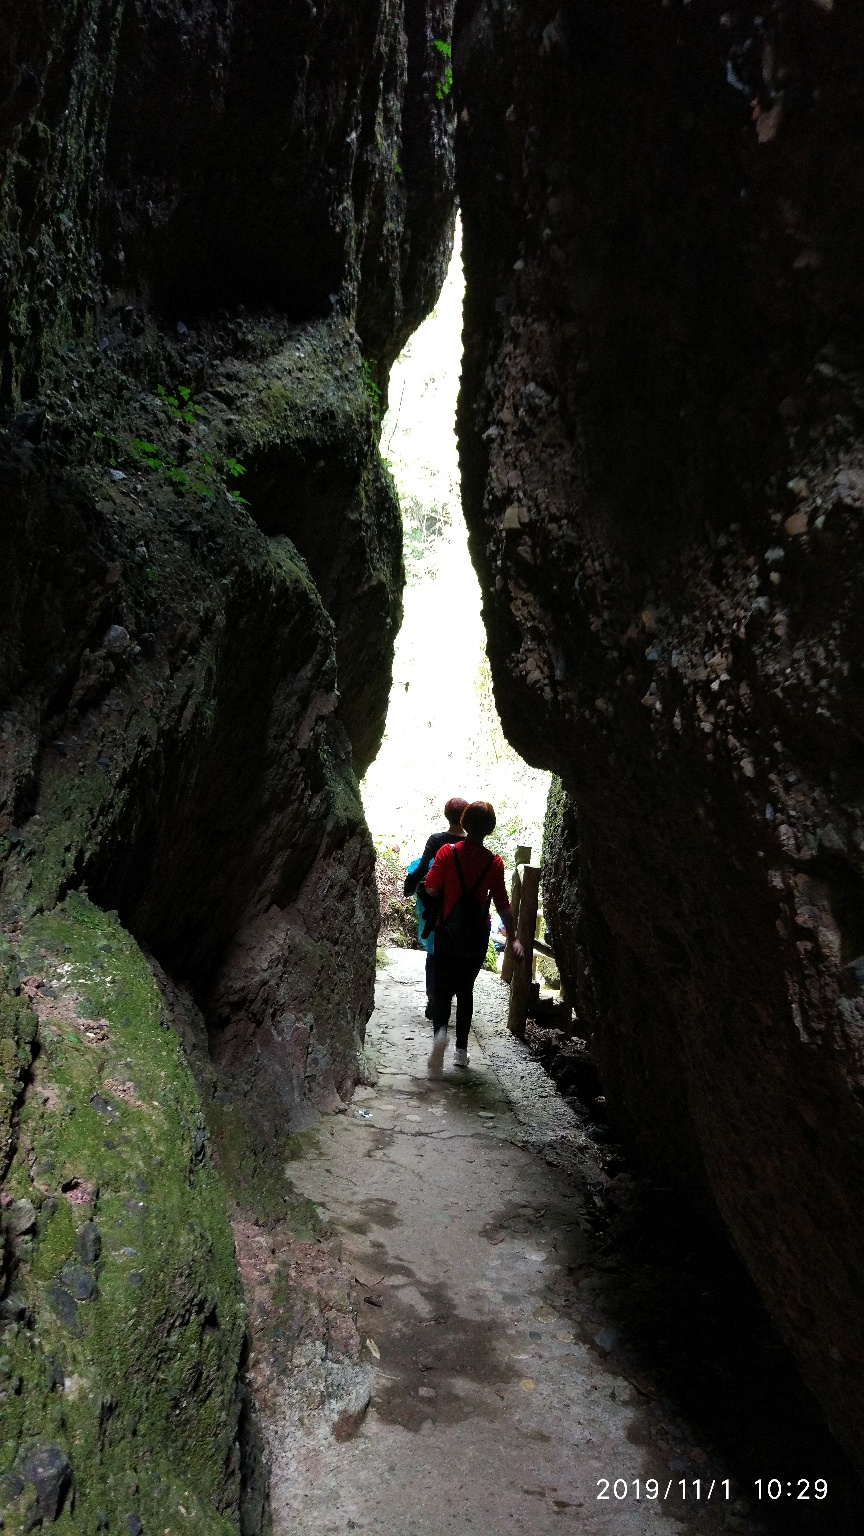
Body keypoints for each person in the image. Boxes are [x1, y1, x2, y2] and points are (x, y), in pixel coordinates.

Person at [422, 800, 523, 1071]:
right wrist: (513, 937)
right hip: (476, 936)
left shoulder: (447, 852)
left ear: (464, 822)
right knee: (465, 990)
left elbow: (431, 889)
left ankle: (440, 1036)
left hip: (447, 931)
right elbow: (503, 904)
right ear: (490, 829)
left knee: (442, 990)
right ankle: (461, 1051)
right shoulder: (494, 863)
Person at [404, 797, 468, 1017]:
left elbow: (423, 867)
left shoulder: (436, 840)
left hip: (436, 904)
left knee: (434, 953)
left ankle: (433, 999)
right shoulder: (472, 844)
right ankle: (450, 999)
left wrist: (410, 886)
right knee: (456, 956)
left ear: (446, 814)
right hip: (462, 909)